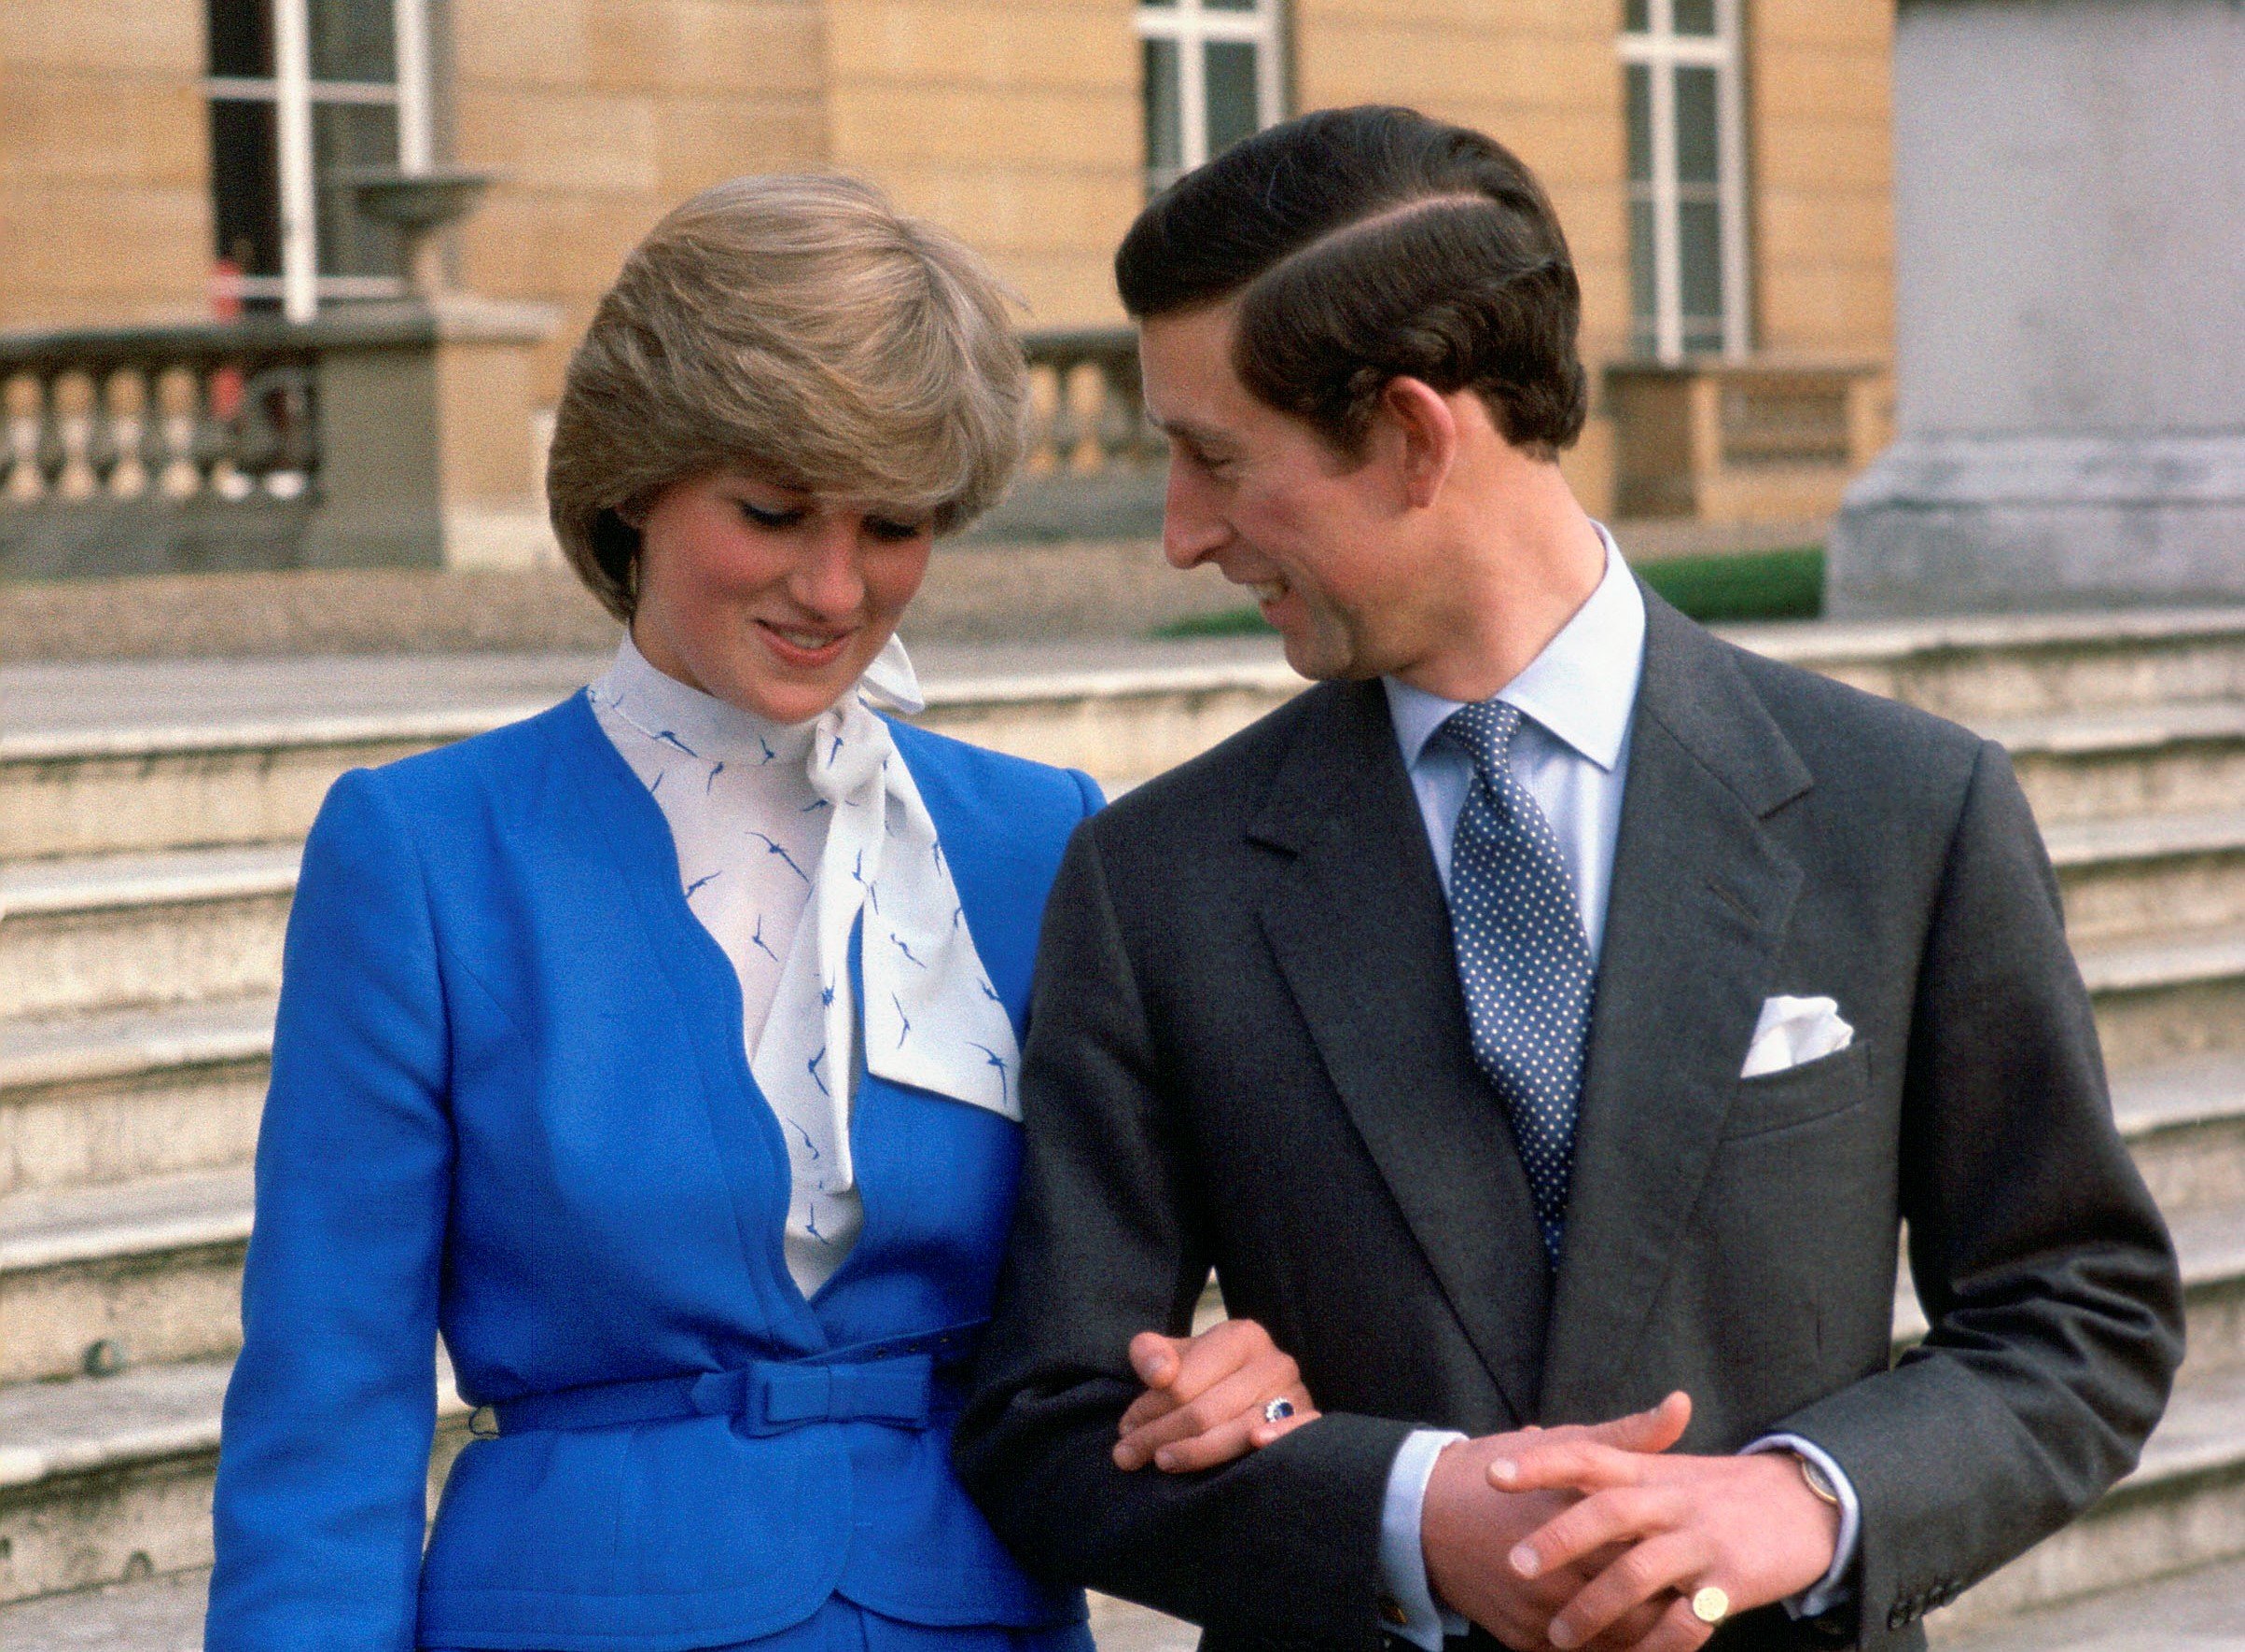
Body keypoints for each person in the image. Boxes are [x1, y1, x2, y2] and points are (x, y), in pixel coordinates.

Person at [955, 106, 2184, 1652]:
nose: (1180, 536)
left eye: (1212, 460)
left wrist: (1806, 1498)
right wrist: (1401, 1506)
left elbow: (2082, 1315)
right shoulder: (1155, 878)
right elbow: (1047, 1423)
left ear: (1411, 435)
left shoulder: (1907, 808)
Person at [204, 174, 1314, 1652]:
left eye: (896, 524)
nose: (835, 585)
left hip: (973, 1622)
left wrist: (1241, 1376)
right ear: (632, 484)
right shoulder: (421, 851)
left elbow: (1149, 1292)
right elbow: (324, 1407)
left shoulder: (1036, 835)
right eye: (773, 511)